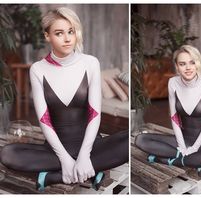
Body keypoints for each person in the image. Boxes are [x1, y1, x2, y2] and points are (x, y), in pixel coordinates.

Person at [0, 7, 128, 190]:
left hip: (91, 146)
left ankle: (53, 176)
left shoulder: (90, 63)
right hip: (54, 149)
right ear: (47, 36)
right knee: (7, 154)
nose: (68, 38)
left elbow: (94, 114)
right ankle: (92, 170)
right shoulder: (38, 69)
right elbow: (44, 120)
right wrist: (64, 158)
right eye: (59, 33)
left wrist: (84, 155)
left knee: (127, 142)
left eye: (71, 31)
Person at [135, 45, 201, 176]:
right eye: (182, 64)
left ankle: (168, 160)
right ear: (177, 67)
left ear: (198, 64)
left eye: (192, 62)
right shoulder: (173, 82)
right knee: (140, 139)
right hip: (182, 139)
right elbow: (174, 118)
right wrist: (182, 146)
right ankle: (194, 161)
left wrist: (194, 148)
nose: (188, 68)